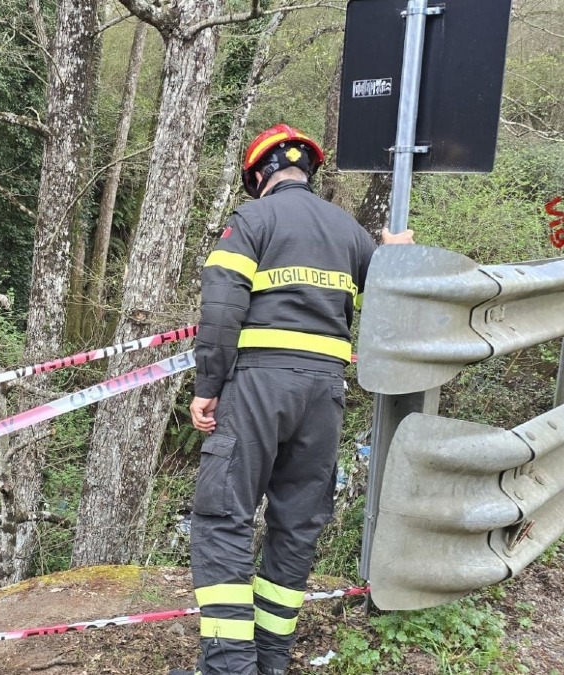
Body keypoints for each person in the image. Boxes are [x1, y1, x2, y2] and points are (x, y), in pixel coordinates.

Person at [174, 124, 414, 675]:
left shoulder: (251, 220)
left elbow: (220, 312)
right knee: (297, 523)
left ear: (258, 175)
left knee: (223, 517)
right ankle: (272, 660)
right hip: (326, 392)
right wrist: (395, 256)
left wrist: (207, 389)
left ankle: (229, 665)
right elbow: (391, 298)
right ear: (308, 171)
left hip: (258, 386)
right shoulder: (352, 232)